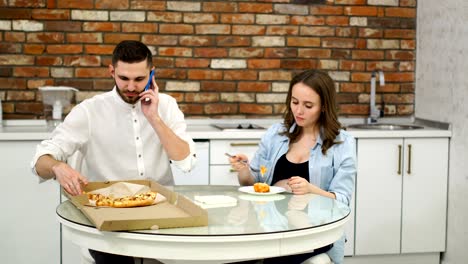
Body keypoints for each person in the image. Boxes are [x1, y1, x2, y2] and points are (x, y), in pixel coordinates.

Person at [31, 40, 196, 264]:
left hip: (161, 216)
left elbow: (185, 161)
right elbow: (41, 159)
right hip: (109, 221)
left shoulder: (166, 106)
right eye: (123, 78)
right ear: (112, 71)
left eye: (139, 79)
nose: (131, 87)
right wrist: (57, 166)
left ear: (151, 73)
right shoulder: (90, 111)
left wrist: (154, 118)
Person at [229, 69, 356, 264]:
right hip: (270, 230)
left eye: (308, 105)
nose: (299, 111)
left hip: (312, 234)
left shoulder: (342, 143)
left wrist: (311, 190)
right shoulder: (276, 134)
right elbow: (253, 182)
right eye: (294, 102)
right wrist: (244, 169)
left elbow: (342, 201)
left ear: (323, 106)